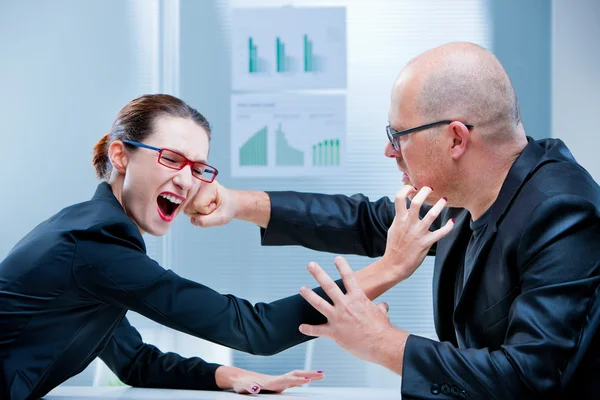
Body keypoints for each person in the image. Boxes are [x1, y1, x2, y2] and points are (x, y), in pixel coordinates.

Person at [185, 42, 600, 399]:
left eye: (399, 134)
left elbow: (529, 379)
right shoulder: (469, 189)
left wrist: (382, 343)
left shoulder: (559, 211)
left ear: (456, 138)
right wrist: (239, 203)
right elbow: (367, 220)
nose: (390, 151)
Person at [0, 94, 451, 400]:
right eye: (171, 158)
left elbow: (134, 361)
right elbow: (254, 330)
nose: (185, 179)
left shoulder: (90, 236)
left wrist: (227, 376)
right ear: (120, 156)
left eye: (197, 167)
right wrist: (391, 267)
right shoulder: (95, 245)